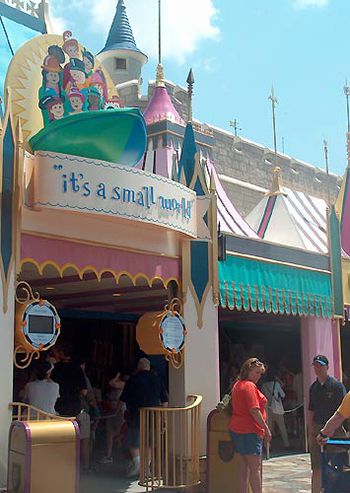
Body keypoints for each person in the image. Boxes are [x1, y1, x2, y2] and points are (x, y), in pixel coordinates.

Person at [120, 358, 168, 477]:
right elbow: (165, 401)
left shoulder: (133, 379)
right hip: (153, 416)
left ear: (139, 367)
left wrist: (118, 412)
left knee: (134, 441)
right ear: (149, 366)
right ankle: (147, 468)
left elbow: (123, 399)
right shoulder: (157, 379)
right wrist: (163, 418)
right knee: (150, 443)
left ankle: (137, 463)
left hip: (136, 415)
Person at [229, 357, 271, 493]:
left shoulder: (237, 384)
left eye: (260, 373)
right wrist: (266, 428)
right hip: (250, 430)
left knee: (243, 468)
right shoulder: (249, 386)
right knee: (255, 468)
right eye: (256, 372)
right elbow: (254, 409)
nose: (258, 376)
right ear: (248, 371)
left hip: (236, 428)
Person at [308, 354, 346, 493]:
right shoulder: (314, 388)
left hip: (334, 428)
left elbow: (342, 411)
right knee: (316, 466)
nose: (318, 369)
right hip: (318, 427)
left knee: (337, 462)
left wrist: (336, 430)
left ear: (327, 367)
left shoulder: (336, 386)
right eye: (315, 366)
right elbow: (311, 409)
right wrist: (310, 429)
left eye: (320, 366)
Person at [99, 369, 126, 464]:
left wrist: (117, 375)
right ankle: (108, 455)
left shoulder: (123, 383)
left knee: (120, 432)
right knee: (109, 432)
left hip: (119, 411)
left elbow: (112, 383)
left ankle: (124, 455)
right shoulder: (112, 387)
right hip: (111, 410)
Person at [262, 368, 290, 449]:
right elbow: (283, 395)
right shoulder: (276, 384)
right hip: (277, 408)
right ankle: (286, 444)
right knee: (282, 427)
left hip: (268, 408)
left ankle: (267, 446)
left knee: (268, 428)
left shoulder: (264, 385)